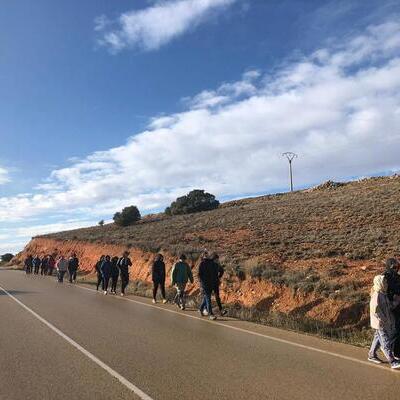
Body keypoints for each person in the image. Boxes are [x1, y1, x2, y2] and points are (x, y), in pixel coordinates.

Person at [368, 274, 400, 368]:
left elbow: (388, 307)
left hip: (383, 322)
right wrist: (383, 320)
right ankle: (392, 361)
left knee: (377, 338)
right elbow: (375, 310)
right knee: (385, 341)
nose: (386, 283)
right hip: (380, 323)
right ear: (379, 283)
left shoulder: (382, 293)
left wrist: (396, 302)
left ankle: (371, 354)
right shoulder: (377, 295)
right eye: (384, 282)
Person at [198, 252, 218, 320]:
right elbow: (199, 275)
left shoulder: (211, 263)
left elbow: (214, 273)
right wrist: (202, 283)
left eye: (207, 254)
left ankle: (201, 309)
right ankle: (211, 314)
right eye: (205, 254)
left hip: (211, 283)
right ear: (203, 256)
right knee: (208, 298)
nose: (206, 255)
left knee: (206, 297)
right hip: (204, 284)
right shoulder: (202, 264)